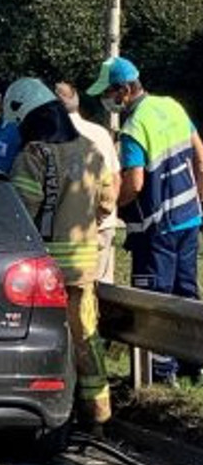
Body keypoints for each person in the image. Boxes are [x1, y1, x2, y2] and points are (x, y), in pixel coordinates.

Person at [4, 77, 117, 430]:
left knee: (42, 340)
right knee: (85, 338)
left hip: (44, 272)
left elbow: (21, 213)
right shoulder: (90, 151)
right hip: (84, 266)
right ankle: (98, 415)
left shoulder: (33, 156)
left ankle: (51, 414)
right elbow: (107, 202)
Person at [87, 56, 203, 385]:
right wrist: (198, 198)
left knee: (154, 302)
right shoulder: (172, 106)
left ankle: (161, 374)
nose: (107, 101)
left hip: (156, 227)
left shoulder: (134, 128)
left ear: (124, 90)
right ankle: (193, 366)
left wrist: (110, 207)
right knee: (186, 293)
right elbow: (199, 153)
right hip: (188, 219)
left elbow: (135, 183)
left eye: (109, 93)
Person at [55, 81, 121, 284]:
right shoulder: (100, 133)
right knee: (102, 292)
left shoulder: (54, 138)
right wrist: (103, 215)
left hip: (70, 232)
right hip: (103, 226)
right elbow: (115, 179)